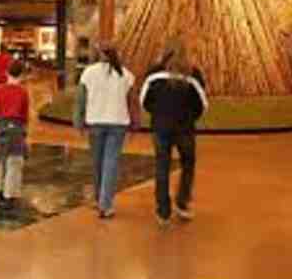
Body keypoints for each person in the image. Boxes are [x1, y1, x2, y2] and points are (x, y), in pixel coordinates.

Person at [140, 40, 208, 228]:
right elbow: (202, 104)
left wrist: (156, 114)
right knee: (188, 164)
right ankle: (182, 202)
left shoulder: (154, 74)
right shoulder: (193, 74)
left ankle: (163, 211)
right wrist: (191, 117)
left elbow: (144, 100)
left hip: (160, 127)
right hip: (185, 128)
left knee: (162, 166)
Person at [73, 42, 138, 219]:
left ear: (98, 54)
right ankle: (105, 204)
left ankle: (99, 199)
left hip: (95, 122)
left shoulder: (88, 73)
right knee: (111, 162)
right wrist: (135, 124)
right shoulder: (126, 75)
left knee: (97, 162)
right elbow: (132, 102)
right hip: (118, 123)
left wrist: (78, 122)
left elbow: (80, 99)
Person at [0, 60, 29, 214]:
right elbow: (25, 116)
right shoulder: (23, 92)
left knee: (0, 162)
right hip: (16, 130)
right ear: (22, 75)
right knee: (14, 163)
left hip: (0, 129)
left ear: (6, 73)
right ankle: (9, 197)